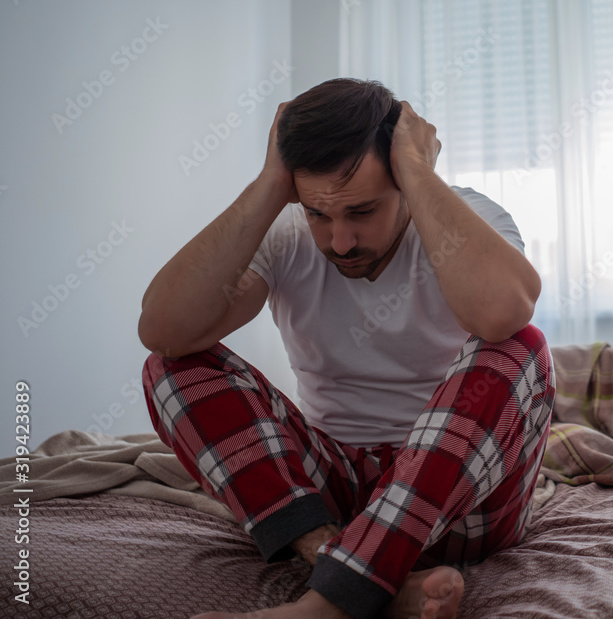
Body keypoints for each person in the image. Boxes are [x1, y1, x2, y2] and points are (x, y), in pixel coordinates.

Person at [138, 78, 555, 619]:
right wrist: (270, 183)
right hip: (332, 500)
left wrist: (417, 171)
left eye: (361, 212)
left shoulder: (470, 220)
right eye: (319, 214)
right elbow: (164, 330)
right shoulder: (285, 232)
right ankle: (357, 570)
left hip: (459, 504)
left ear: (403, 177)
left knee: (522, 346)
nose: (339, 242)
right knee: (173, 366)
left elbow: (503, 314)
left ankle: (326, 604)